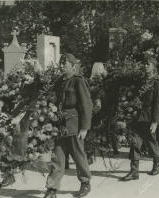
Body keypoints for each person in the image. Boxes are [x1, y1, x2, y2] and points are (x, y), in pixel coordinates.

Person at [44, 53, 93, 198]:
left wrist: (84, 127)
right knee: (57, 157)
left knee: (78, 155)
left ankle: (85, 182)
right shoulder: (59, 81)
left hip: (74, 124)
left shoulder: (78, 81)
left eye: (64, 63)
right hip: (59, 124)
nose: (61, 66)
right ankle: (52, 188)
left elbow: (86, 105)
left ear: (72, 66)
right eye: (60, 63)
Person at [120, 59, 159, 181]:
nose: (145, 66)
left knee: (150, 141)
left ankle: (156, 163)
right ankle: (134, 171)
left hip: (149, 117)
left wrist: (155, 121)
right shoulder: (141, 81)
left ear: (153, 67)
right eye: (144, 64)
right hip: (138, 116)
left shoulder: (157, 83)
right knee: (135, 142)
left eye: (147, 64)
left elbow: (157, 104)